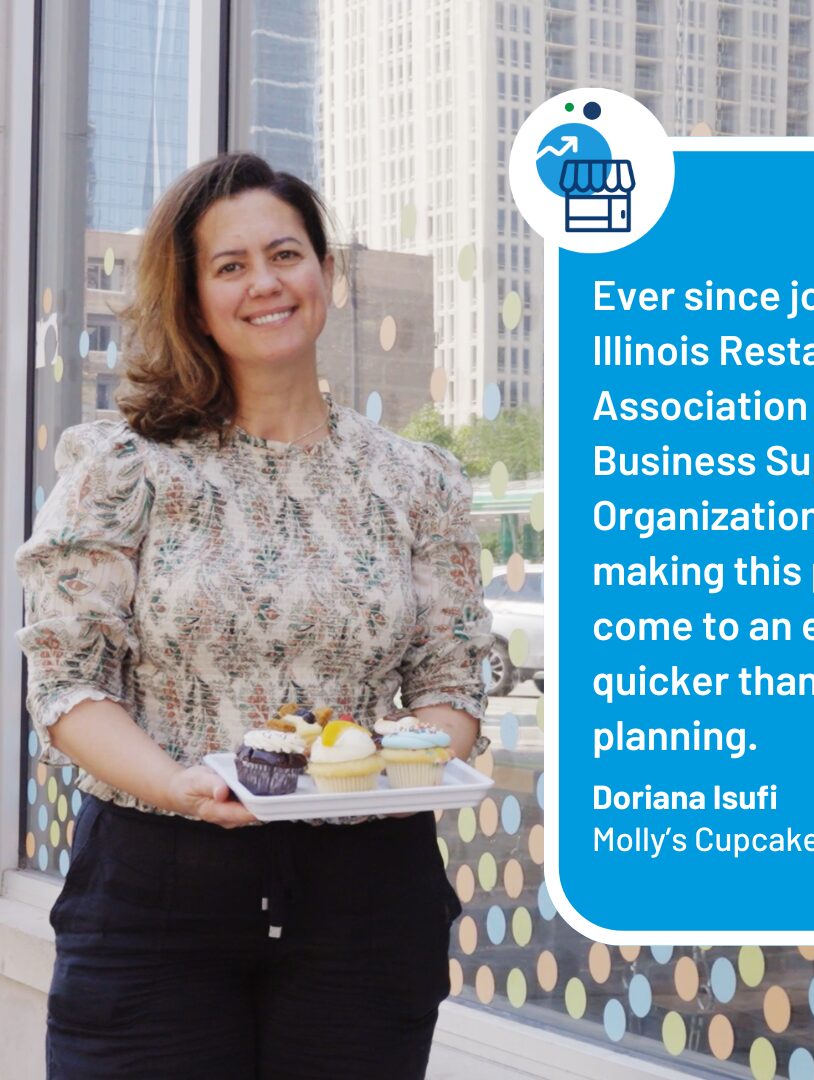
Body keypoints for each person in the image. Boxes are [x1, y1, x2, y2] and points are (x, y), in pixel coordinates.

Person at [16, 152, 492, 1079]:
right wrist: (177, 784)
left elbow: (451, 681)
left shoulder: (416, 479)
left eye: (285, 254)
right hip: (156, 894)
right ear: (195, 301)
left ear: (326, 273)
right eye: (229, 266)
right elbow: (68, 682)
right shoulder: (123, 468)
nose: (265, 283)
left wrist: (393, 770)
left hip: (367, 903)